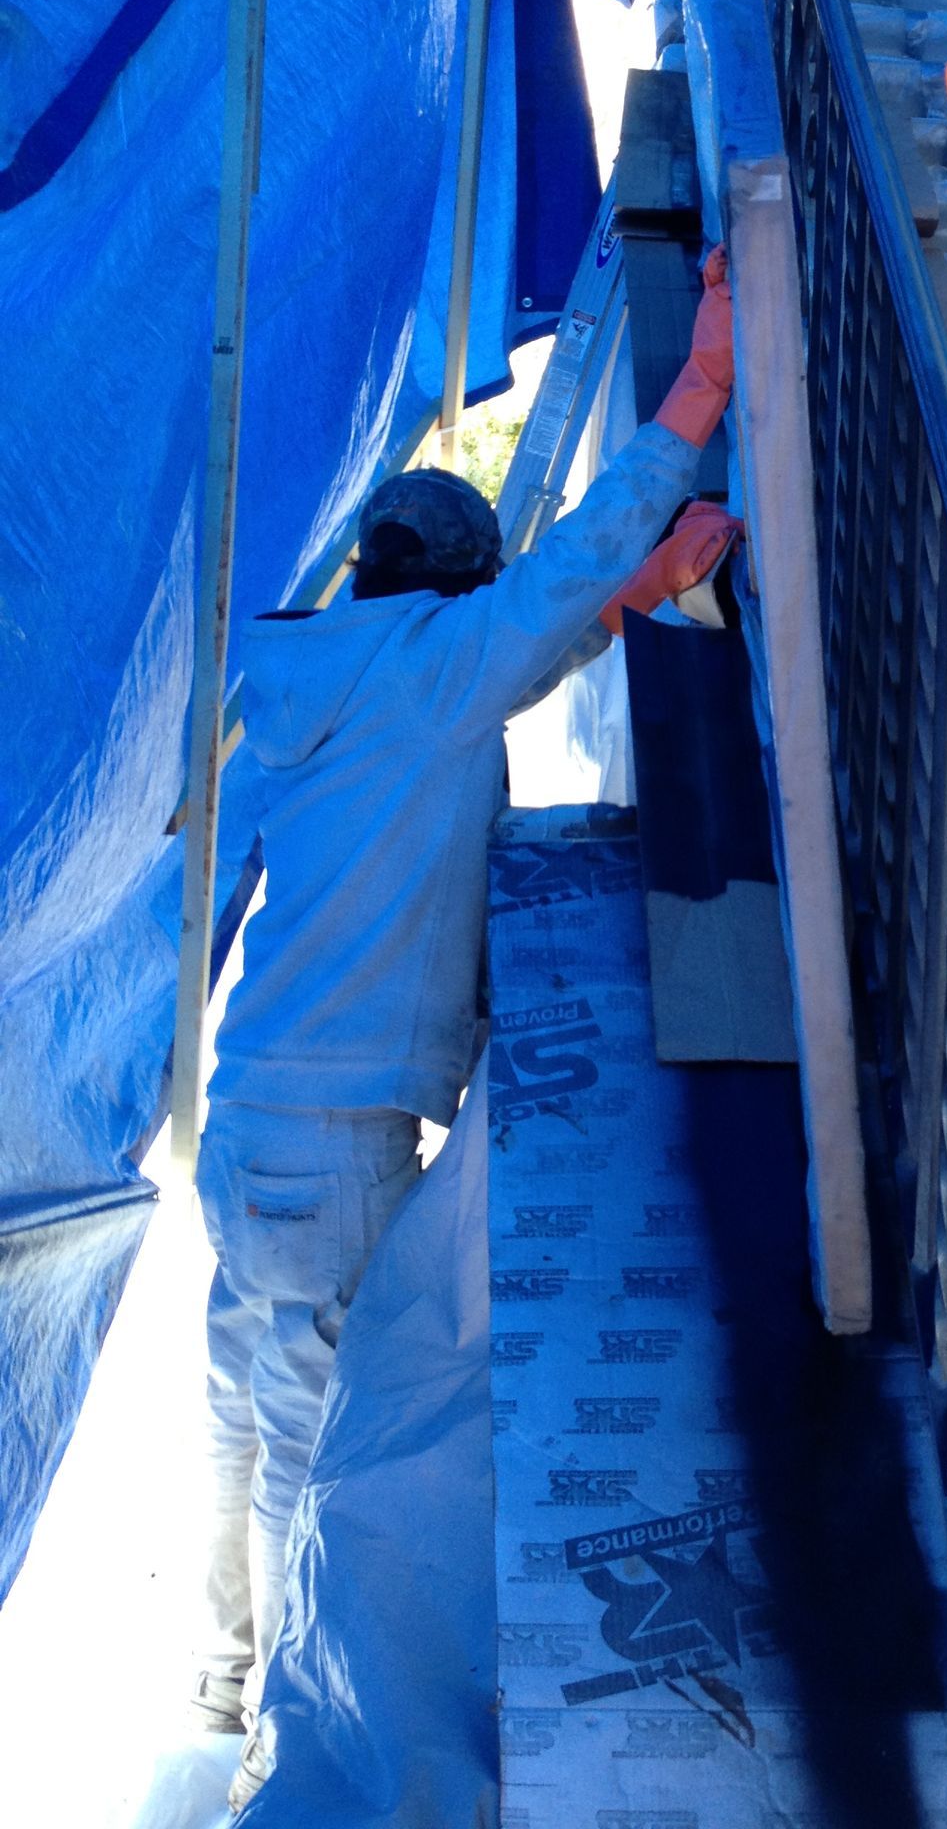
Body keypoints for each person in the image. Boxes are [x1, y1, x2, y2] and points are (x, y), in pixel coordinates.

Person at [192, 250, 735, 1810]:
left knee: (245, 1417)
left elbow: (522, 645)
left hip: (250, 1131)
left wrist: (613, 602)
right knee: (335, 1461)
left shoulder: (319, 684)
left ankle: (232, 1688)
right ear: (450, 592)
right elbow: (549, 597)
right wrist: (696, 390)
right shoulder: (431, 678)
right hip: (343, 1145)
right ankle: (302, 1775)